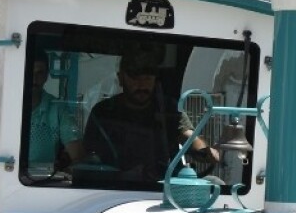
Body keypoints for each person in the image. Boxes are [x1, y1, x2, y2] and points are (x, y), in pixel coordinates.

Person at [82, 48, 217, 182]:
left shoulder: (168, 108)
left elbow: (189, 137)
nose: (142, 84)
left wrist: (205, 152)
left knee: (216, 183)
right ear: (121, 78)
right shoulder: (103, 112)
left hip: (160, 189)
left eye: (148, 77)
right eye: (135, 77)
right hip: (114, 186)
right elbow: (89, 157)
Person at [23, 51, 83, 174]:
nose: (34, 79)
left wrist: (72, 168)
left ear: (46, 76)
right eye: (29, 72)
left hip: (42, 181)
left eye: (39, 73)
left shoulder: (58, 109)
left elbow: (77, 155)